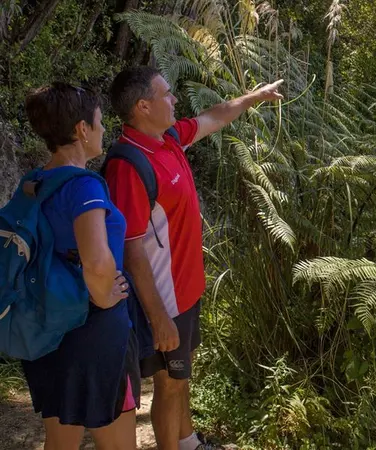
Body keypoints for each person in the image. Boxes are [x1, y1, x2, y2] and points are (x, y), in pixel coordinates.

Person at [104, 66, 283, 450]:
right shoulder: (129, 165)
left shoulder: (168, 138)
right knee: (169, 387)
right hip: (164, 300)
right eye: (166, 94)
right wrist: (157, 316)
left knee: (182, 379)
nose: (175, 100)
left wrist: (254, 97)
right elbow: (131, 249)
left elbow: (214, 116)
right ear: (142, 106)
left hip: (186, 290)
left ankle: (188, 443)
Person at [21, 82, 139, 450]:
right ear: (81, 130)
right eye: (100, 122)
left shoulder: (33, 182)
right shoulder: (85, 187)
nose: (104, 130)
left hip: (48, 326)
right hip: (93, 335)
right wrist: (106, 298)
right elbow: (99, 262)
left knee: (60, 440)